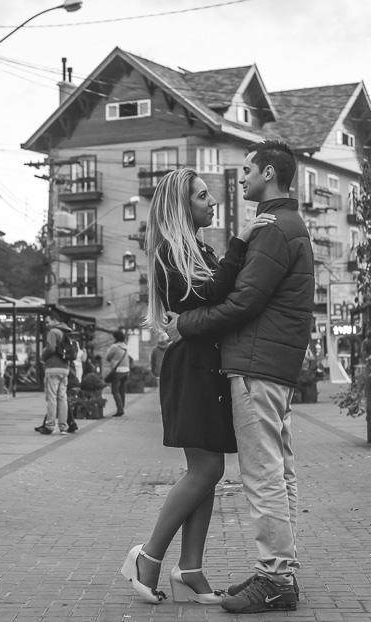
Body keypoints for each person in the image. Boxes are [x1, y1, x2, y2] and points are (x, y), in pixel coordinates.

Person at [162, 140, 312, 614]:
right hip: (274, 364)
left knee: (264, 474)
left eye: (247, 170)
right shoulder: (285, 224)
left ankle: (275, 577)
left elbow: (243, 302)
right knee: (280, 472)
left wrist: (183, 324)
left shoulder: (271, 227)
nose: (240, 179)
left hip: (256, 364)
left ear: (268, 173)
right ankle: (278, 569)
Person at [120, 166, 273, 606]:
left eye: (209, 194)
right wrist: (243, 240)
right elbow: (214, 295)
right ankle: (148, 557)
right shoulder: (171, 251)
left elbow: (222, 295)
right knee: (205, 470)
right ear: (181, 205)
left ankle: (189, 569)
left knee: (208, 471)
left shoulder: (199, 250)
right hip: (191, 368)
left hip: (207, 364)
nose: (212, 202)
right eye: (202, 196)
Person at [36, 318, 74, 435]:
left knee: (51, 398)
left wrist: (43, 356)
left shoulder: (54, 332)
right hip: (64, 369)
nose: (47, 324)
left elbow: (51, 348)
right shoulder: (65, 332)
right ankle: (63, 427)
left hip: (53, 368)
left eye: (48, 322)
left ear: (54, 320)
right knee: (62, 398)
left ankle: (49, 426)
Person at [104, 330, 131, 417]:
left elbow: (107, 358)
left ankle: (120, 410)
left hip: (118, 371)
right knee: (122, 391)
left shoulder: (114, 347)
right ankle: (121, 408)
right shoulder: (125, 346)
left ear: (115, 337)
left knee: (115, 391)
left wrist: (113, 360)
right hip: (126, 371)